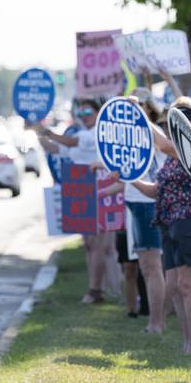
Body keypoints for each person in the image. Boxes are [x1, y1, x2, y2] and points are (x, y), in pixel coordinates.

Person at [132, 97, 191, 355]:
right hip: (169, 223)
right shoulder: (170, 155)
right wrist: (129, 177)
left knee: (188, 285)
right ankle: (187, 342)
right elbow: (157, 191)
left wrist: (141, 117)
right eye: (171, 123)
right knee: (177, 286)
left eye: (181, 122)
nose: (173, 128)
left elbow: (165, 145)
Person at [37, 99, 115, 304]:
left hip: (100, 189)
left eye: (89, 110)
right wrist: (37, 131)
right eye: (81, 112)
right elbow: (55, 149)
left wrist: (47, 131)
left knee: (97, 243)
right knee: (89, 244)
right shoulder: (83, 135)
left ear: (99, 113)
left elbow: (70, 142)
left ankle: (96, 289)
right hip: (83, 189)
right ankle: (95, 287)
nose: (84, 114)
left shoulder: (96, 133)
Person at [123, 88, 168, 333]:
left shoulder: (154, 131)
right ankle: (156, 319)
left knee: (152, 267)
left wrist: (140, 115)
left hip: (148, 203)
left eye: (139, 105)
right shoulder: (128, 133)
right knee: (145, 265)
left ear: (147, 108)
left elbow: (167, 147)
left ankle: (157, 322)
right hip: (135, 202)